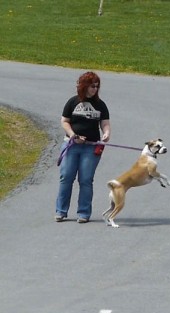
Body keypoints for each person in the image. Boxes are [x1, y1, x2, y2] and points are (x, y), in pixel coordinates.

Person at [55, 71, 111, 223]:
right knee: (66, 177)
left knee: (86, 179)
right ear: (84, 86)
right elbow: (64, 121)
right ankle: (61, 211)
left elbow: (105, 123)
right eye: (92, 86)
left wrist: (106, 133)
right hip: (72, 144)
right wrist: (73, 135)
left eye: (97, 87)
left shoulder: (100, 105)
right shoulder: (72, 102)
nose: (94, 89)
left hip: (91, 147)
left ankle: (84, 213)